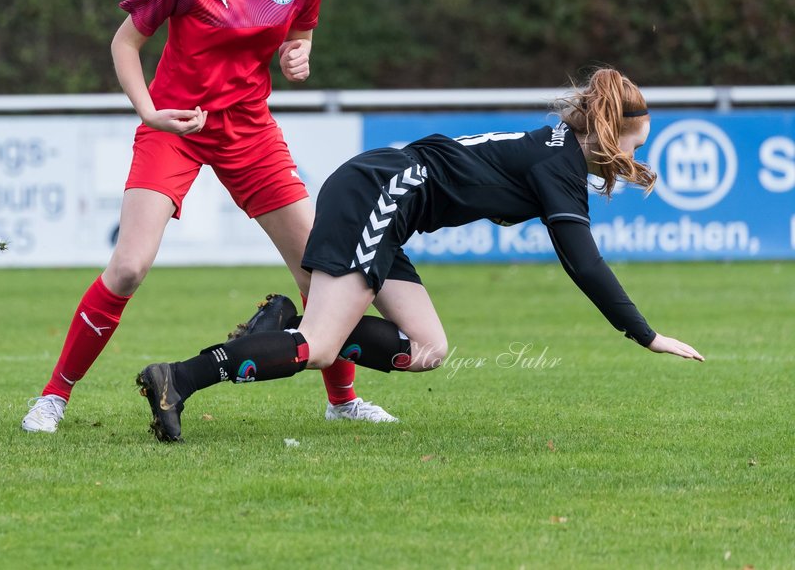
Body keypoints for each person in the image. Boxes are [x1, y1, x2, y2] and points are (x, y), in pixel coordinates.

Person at [21, 0, 385, 433]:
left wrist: (299, 56)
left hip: (249, 130)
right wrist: (149, 112)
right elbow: (126, 42)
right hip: (177, 126)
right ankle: (53, 397)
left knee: (319, 271)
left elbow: (301, 31)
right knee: (129, 267)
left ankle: (342, 402)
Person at [136, 67, 706, 442]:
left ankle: (284, 322)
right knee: (318, 347)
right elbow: (583, 263)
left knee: (428, 349)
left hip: (388, 200)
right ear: (609, 132)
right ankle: (177, 379)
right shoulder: (559, 167)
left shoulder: (556, 148)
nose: (631, 158)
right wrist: (645, 334)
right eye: (633, 146)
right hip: (379, 191)